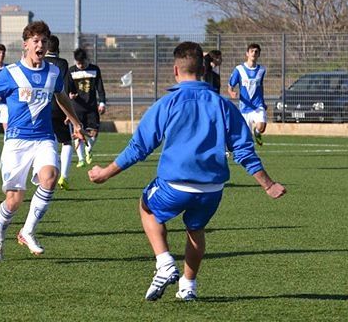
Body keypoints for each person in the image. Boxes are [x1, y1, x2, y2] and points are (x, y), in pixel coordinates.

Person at [88, 41, 286, 301]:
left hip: (175, 186)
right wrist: (268, 185)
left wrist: (105, 173)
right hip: (212, 190)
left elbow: (139, 147)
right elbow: (243, 150)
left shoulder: (168, 103)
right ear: (204, 70)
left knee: (146, 207)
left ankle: (164, 263)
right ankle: (188, 286)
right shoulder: (222, 104)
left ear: (175, 70)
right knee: (196, 229)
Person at [0, 21, 85, 262]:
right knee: (13, 201)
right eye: (35, 41)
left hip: (44, 139)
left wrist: (76, 123)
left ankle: (27, 231)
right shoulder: (10, 74)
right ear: (26, 45)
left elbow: (61, 97)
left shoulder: (53, 72)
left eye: (44, 41)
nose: (40, 45)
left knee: (50, 177)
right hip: (16, 143)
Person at [45, 35, 77, 190]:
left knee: (45, 142)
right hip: (58, 107)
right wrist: (68, 113)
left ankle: (43, 174)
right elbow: (65, 85)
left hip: (41, 107)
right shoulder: (62, 63)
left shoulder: (40, 61)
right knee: (66, 142)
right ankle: (63, 176)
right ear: (58, 48)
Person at [69, 48, 106, 167]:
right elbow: (67, 88)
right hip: (76, 107)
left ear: (86, 59)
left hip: (91, 107)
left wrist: (102, 103)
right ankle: (80, 159)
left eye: (82, 63)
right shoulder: (71, 71)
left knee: (94, 132)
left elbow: (100, 88)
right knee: (77, 133)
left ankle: (88, 148)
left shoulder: (94, 70)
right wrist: (70, 94)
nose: (80, 65)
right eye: (78, 63)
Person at [227, 43, 267, 146]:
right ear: (247, 54)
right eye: (252, 51)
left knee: (261, 127)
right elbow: (230, 86)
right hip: (245, 107)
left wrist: (263, 102)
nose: (254, 53)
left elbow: (260, 86)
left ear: (259, 55)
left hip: (258, 105)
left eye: (256, 52)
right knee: (246, 138)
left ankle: (257, 132)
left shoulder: (262, 70)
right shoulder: (239, 69)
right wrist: (231, 92)